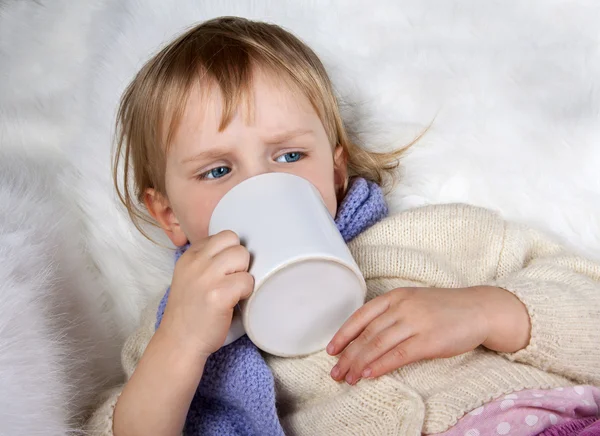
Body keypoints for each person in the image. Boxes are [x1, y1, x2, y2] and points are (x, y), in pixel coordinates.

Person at [86, 16, 600, 436]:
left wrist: (487, 312)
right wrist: (179, 345)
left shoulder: (437, 237)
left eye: (289, 155)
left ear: (334, 173)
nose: (262, 181)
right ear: (170, 215)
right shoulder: (174, 333)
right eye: (217, 171)